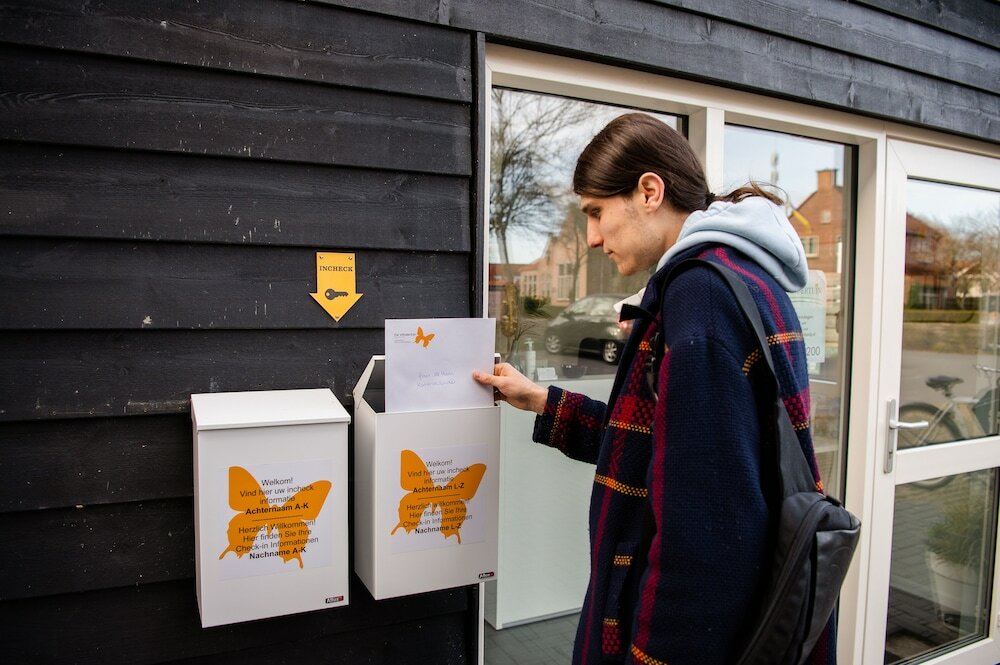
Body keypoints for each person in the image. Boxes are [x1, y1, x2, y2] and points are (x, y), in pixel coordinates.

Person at [473, 113, 833, 665]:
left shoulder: (701, 298)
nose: (591, 237)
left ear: (648, 191)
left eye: (596, 212)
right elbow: (661, 450)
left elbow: (705, 535)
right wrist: (543, 400)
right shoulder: (737, 275)